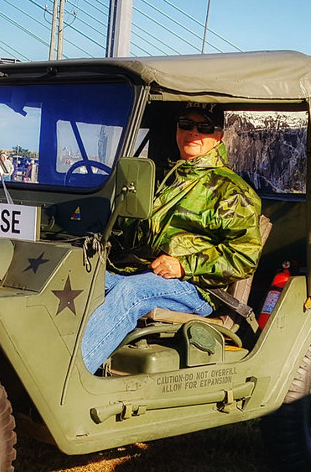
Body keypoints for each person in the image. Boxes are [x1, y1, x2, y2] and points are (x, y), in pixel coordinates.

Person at [80, 106, 263, 374]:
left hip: (195, 287)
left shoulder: (232, 191)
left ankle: (70, 379)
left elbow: (244, 258)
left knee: (131, 294)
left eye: (204, 128)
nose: (192, 133)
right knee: (85, 279)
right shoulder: (162, 178)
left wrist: (184, 265)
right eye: (185, 124)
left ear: (219, 136)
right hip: (140, 271)